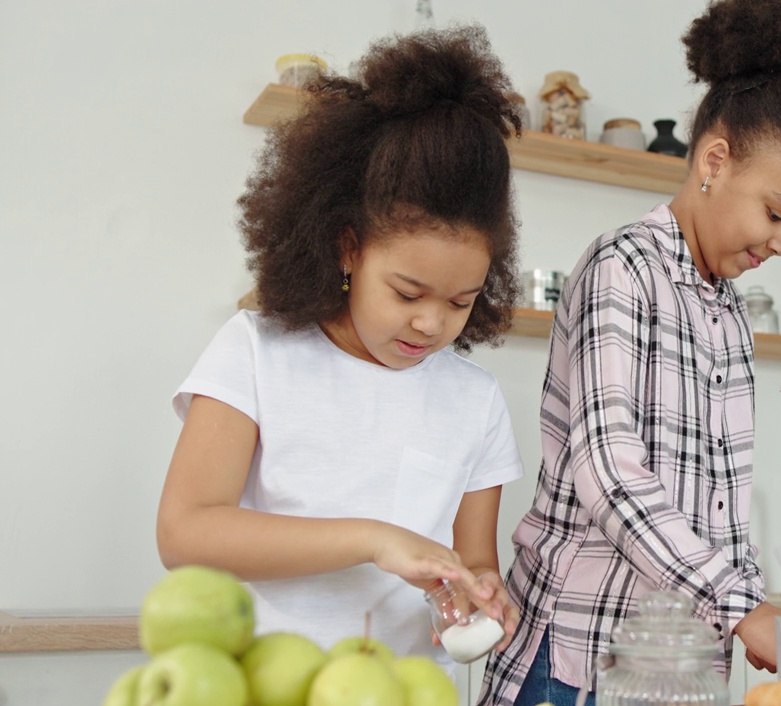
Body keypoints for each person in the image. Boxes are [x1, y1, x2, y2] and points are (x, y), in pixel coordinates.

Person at [479, 0, 781, 706]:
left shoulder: (730, 313)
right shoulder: (624, 268)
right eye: (776, 214)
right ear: (714, 161)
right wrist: (744, 606)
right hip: (581, 656)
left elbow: (723, 510)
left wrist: (746, 609)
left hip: (680, 668)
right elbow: (610, 474)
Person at [155, 27, 527, 668]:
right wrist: (375, 540)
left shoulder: (476, 401)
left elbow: (470, 564)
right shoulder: (256, 352)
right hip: (259, 691)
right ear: (348, 247)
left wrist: (482, 597)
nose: (431, 325)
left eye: (460, 302)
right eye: (408, 292)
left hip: (404, 699)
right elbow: (184, 533)